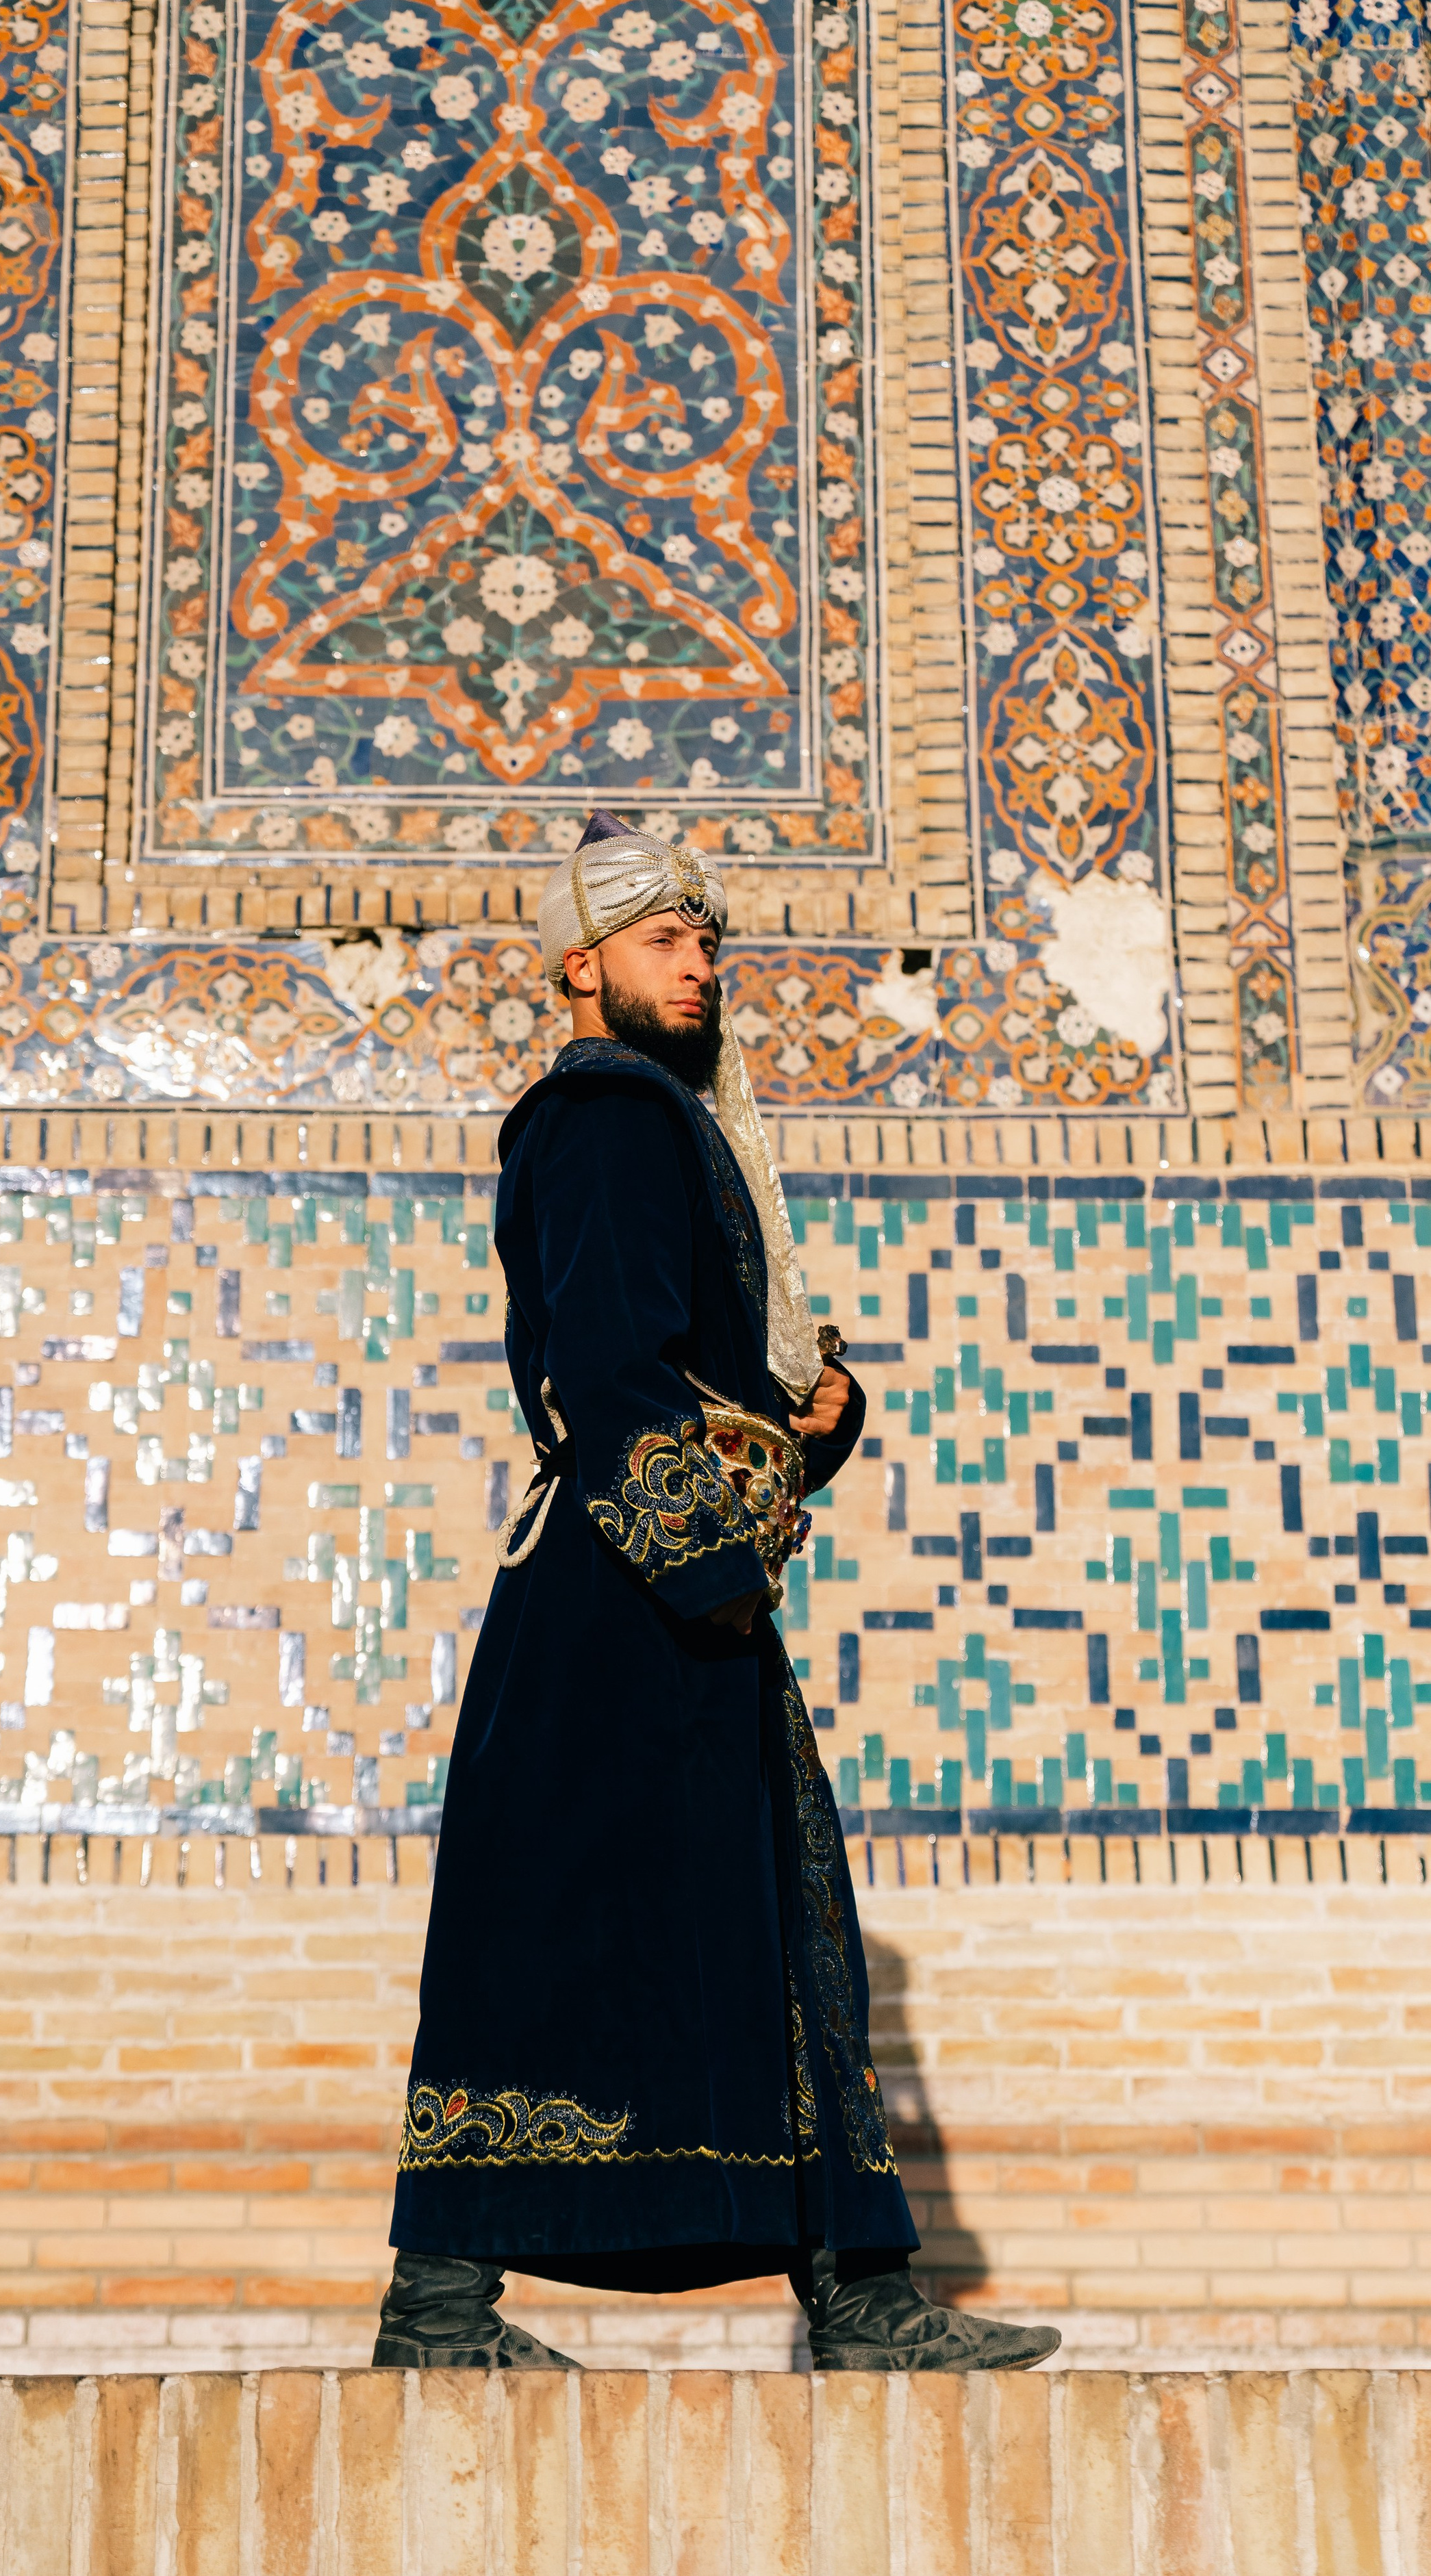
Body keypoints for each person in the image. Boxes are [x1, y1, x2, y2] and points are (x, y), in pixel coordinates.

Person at [372, 815, 1059, 2375]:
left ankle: (856, 2295)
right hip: (625, 1594)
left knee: (769, 1923)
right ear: (579, 964)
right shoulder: (604, 1114)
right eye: (662, 944)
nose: (696, 969)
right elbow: (603, 1369)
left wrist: (815, 1424)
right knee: (549, 1927)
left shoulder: (664, 1123)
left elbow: (691, 1370)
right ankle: (437, 2308)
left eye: (704, 945)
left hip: (678, 1591)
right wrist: (704, 1561)